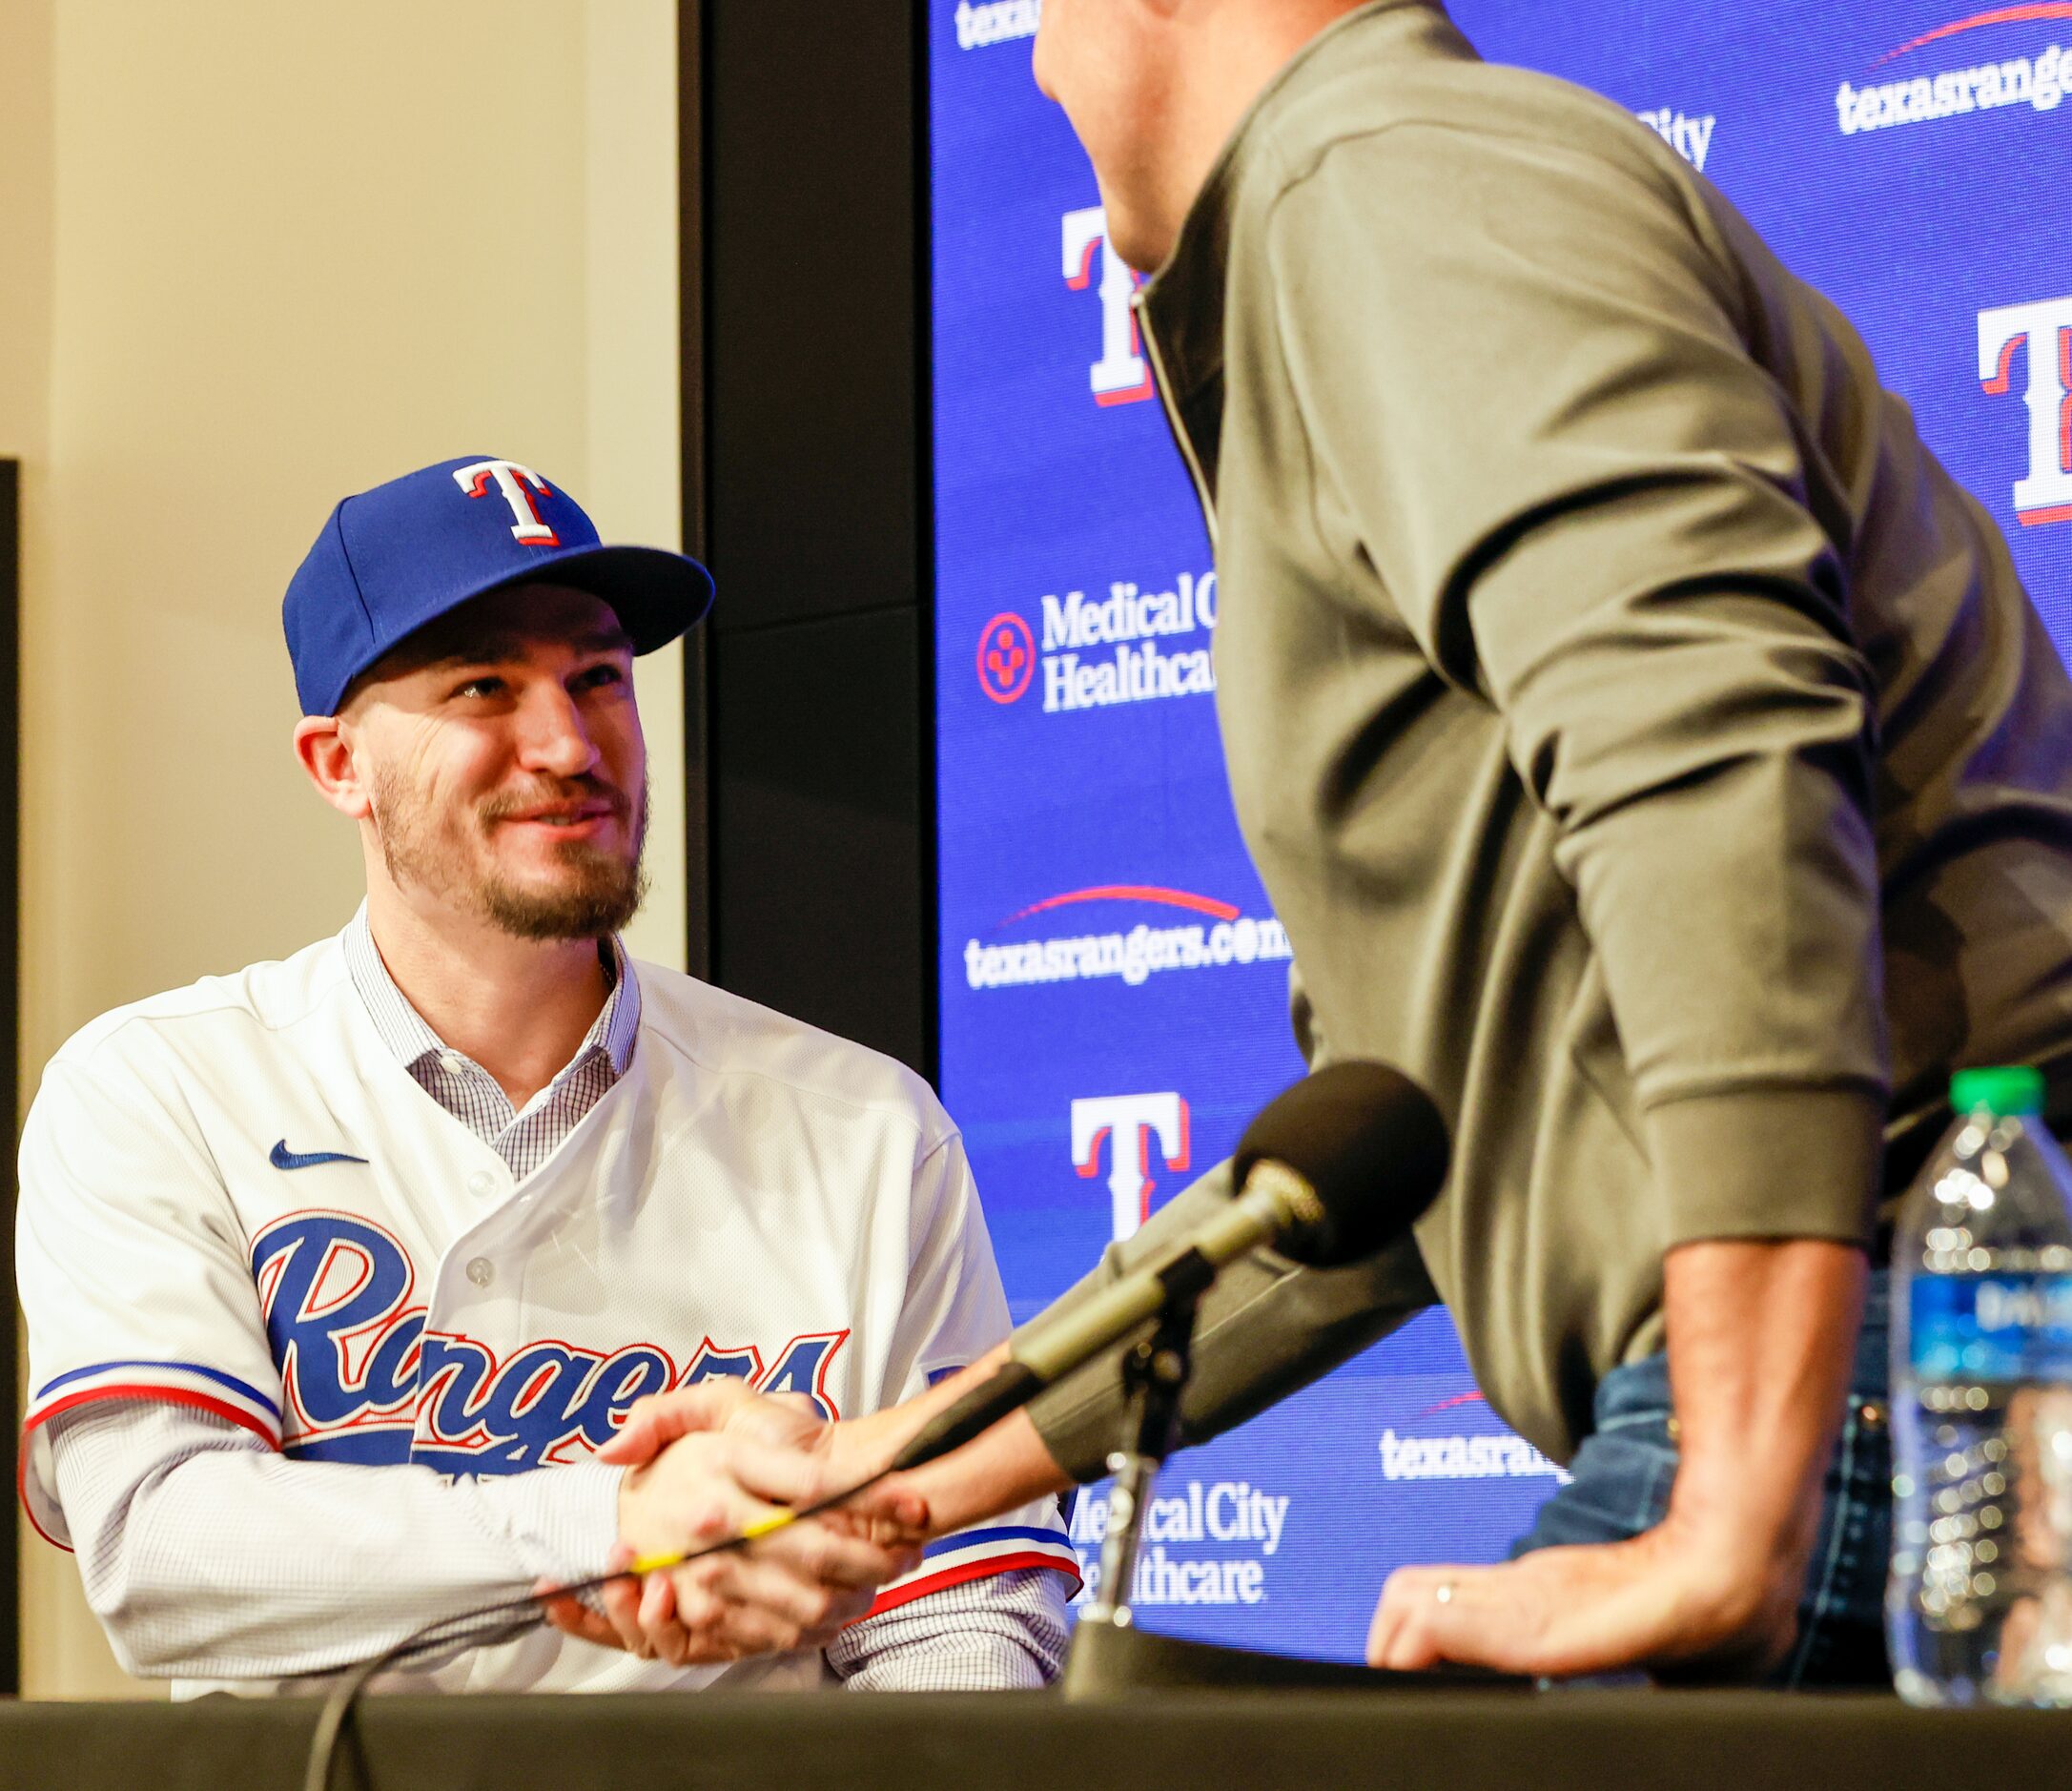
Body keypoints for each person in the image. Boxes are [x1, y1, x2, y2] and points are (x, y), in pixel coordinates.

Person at [563, 0, 2072, 1685]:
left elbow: (1709, 738)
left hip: (1886, 1350)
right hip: (1872, 1362)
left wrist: (1731, 1493)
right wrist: (900, 1467)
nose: (1041, 64)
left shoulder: (1379, 179)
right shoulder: (1356, 210)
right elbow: (1366, 1166)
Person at [14, 456, 1077, 1695]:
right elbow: (163, 1552)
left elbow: (959, 1614)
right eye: (484, 685)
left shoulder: (861, 1124)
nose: (567, 742)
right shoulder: (160, 1088)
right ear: (336, 765)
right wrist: (614, 1522)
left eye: (597, 677)